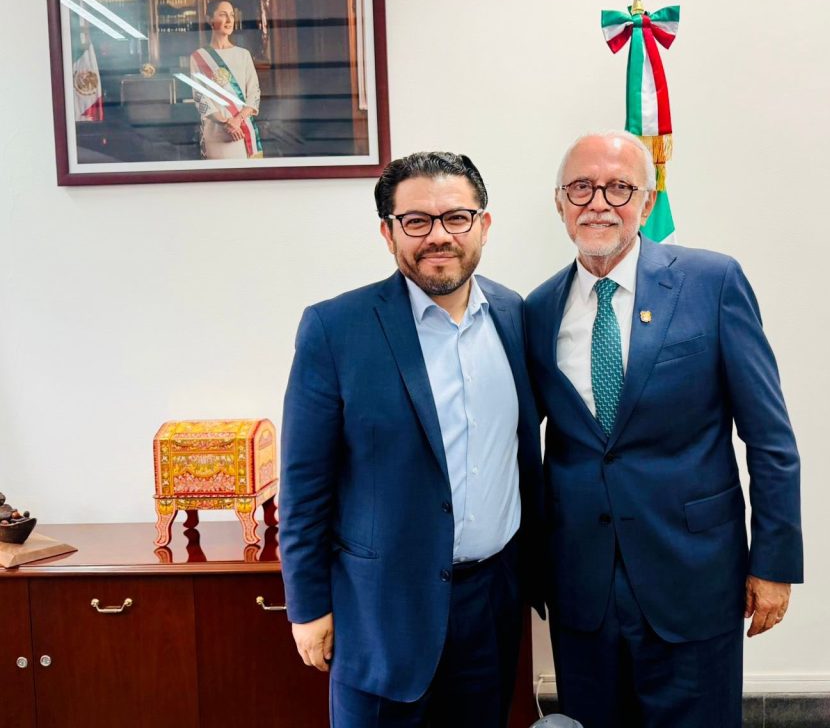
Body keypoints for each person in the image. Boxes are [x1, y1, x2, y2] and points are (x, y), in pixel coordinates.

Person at [525, 131, 803, 727]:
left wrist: (774, 563)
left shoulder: (712, 282)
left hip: (693, 574)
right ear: (559, 202)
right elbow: (523, 445)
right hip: (583, 587)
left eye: (619, 188)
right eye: (581, 188)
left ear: (647, 202)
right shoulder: (537, 309)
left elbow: (770, 439)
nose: (599, 203)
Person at [279, 152, 543, 727]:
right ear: (388, 233)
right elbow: (304, 485)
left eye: (456, 217)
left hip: (491, 602)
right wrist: (308, 607)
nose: (438, 236)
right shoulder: (335, 329)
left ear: (483, 225)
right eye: (417, 220)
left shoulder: (514, 315)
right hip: (380, 613)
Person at [189, 0, 262, 159]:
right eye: (223, 15)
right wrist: (224, 122)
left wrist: (237, 121)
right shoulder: (198, 57)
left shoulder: (243, 55)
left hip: (242, 129)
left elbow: (254, 93)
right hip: (216, 133)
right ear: (210, 19)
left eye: (232, 15)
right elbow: (200, 97)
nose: (229, 20)